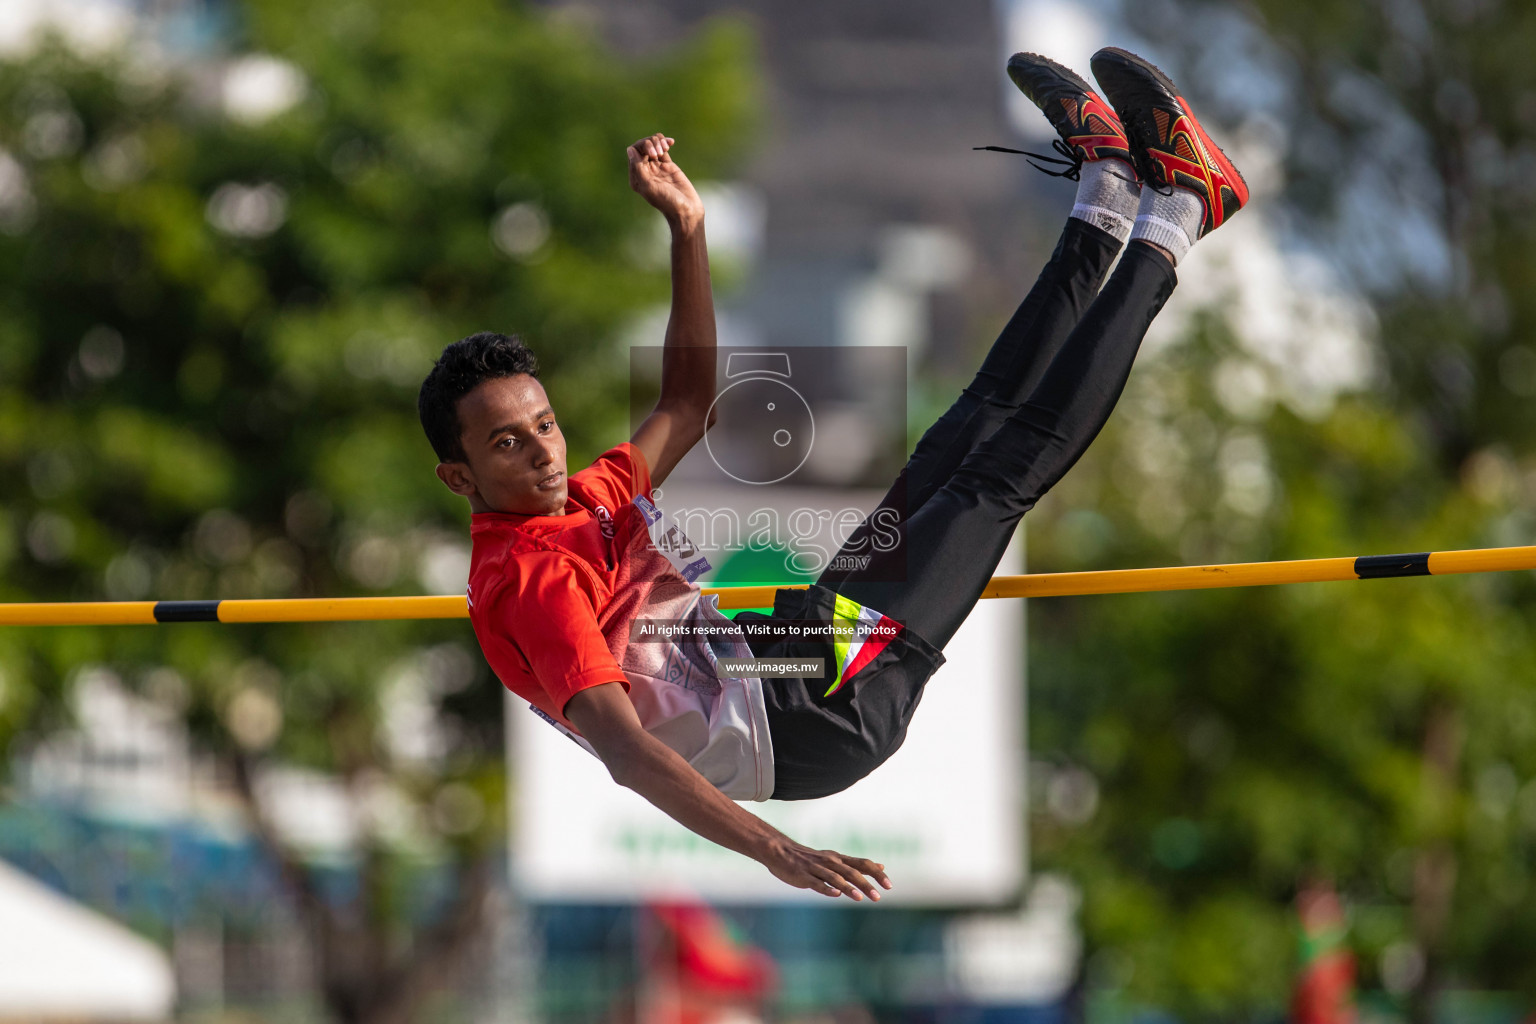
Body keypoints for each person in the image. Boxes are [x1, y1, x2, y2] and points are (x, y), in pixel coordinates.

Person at [417, 48, 1247, 902]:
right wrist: (778, 851)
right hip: (811, 722)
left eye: (545, 425)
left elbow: (690, 402)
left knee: (957, 439)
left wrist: (689, 228)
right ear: (460, 476)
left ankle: (1106, 194)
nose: (547, 451)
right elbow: (629, 754)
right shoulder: (532, 581)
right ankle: (1180, 211)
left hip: (787, 655)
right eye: (510, 445)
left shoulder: (580, 496)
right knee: (994, 479)